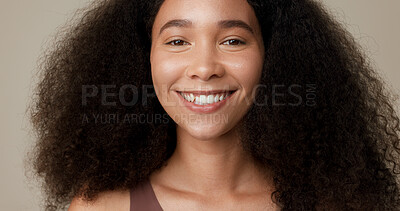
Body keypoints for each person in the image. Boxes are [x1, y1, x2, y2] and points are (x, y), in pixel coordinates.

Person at [28, 0, 400, 210]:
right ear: (143, 58)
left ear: (274, 57)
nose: (204, 68)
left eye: (233, 41)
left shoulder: (333, 205)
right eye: (177, 41)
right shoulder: (101, 207)